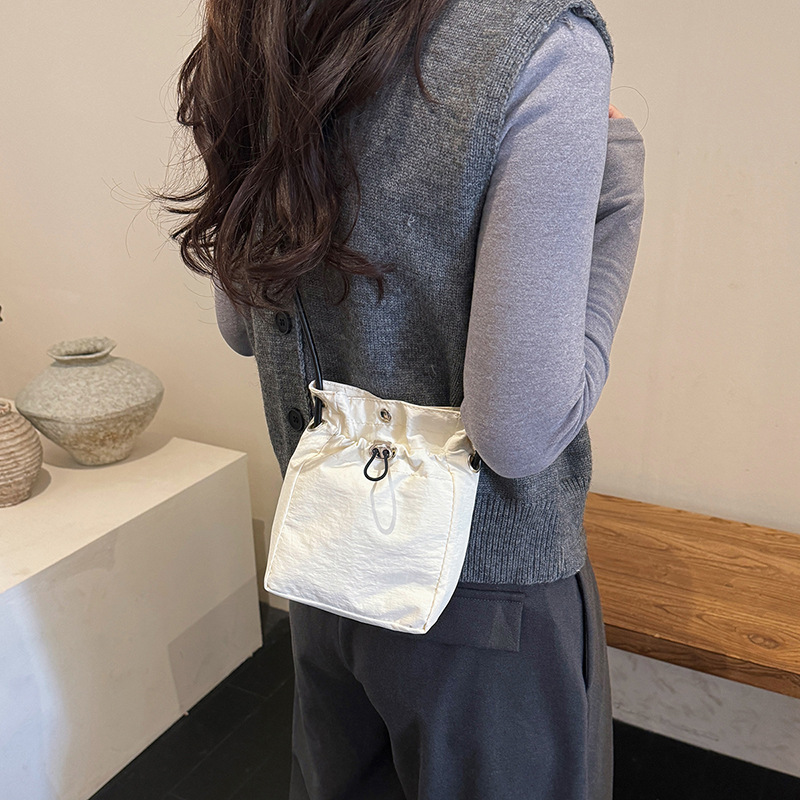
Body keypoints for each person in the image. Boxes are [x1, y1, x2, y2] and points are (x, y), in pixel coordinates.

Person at [162, 0, 645, 797]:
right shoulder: (540, 44)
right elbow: (518, 431)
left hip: (331, 559)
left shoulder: (261, 25)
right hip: (489, 607)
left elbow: (242, 326)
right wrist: (619, 193)